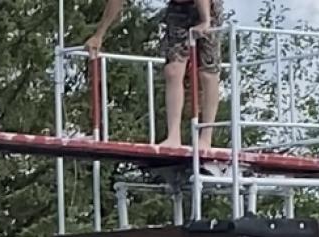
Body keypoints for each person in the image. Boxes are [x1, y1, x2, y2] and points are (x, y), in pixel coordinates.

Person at [85, 0, 223, 151]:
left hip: (207, 5)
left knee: (207, 71)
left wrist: (205, 20)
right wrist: (99, 35)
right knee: (173, 70)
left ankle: (206, 138)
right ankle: (173, 136)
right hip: (178, 8)